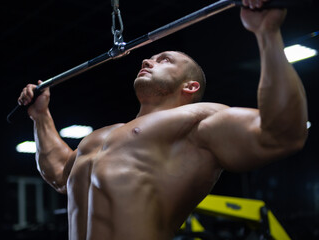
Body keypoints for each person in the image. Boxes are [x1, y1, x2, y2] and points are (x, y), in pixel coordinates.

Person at [18, 1, 308, 239]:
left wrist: (267, 33)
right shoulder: (99, 137)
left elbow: (282, 135)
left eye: (164, 60)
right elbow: (59, 174)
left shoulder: (198, 122)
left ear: (190, 86)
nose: (147, 61)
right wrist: (40, 116)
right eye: (150, 59)